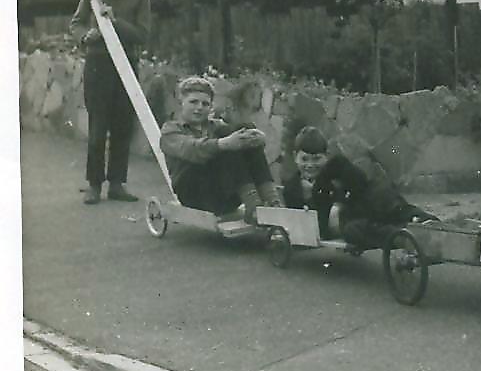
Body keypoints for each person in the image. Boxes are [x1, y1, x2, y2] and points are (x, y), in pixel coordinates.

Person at [69, 0, 151, 205]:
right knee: (98, 127)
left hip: (126, 66)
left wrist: (115, 22)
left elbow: (142, 34)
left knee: (122, 127)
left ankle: (117, 184)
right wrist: (86, 36)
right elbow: (76, 23)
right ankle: (94, 184)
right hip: (97, 66)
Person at [283, 126, 437, 249]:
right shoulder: (293, 187)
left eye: (317, 159)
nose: (310, 165)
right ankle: (405, 237)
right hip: (348, 223)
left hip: (364, 206)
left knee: (382, 198)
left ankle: (431, 224)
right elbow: (306, 225)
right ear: (295, 157)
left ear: (326, 156)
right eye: (304, 159)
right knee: (355, 230)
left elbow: (359, 182)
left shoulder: (331, 171)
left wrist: (338, 202)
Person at [159, 76, 280, 224]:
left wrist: (258, 139)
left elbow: (240, 139)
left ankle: (272, 201)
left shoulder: (216, 126)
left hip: (223, 192)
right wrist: (224, 143)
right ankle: (253, 204)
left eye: (205, 104)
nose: (199, 108)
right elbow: (192, 150)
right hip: (194, 194)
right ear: (181, 102)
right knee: (225, 140)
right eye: (193, 102)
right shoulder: (171, 130)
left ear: (210, 107)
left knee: (244, 130)